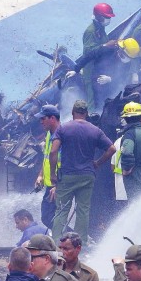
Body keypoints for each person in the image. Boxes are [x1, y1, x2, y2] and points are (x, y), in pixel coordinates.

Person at [50, 100, 115, 245]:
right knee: (83, 210)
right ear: (86, 113)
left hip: (67, 176)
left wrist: (52, 174)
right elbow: (112, 149)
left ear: (73, 113)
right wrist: (97, 163)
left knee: (62, 210)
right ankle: (80, 244)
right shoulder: (95, 130)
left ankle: (56, 243)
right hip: (87, 176)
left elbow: (53, 151)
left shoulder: (63, 128)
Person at [65, 39, 141, 113]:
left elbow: (123, 77)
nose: (126, 59)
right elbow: (89, 56)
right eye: (125, 56)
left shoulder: (127, 63)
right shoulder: (107, 50)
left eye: (129, 58)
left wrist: (110, 79)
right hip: (94, 80)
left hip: (110, 87)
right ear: (120, 50)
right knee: (95, 101)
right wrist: (76, 70)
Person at [79, 2, 116, 112]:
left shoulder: (100, 28)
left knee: (99, 97)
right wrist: (105, 46)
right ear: (99, 17)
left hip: (98, 68)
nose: (109, 19)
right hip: (90, 70)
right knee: (91, 100)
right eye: (107, 17)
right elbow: (88, 52)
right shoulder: (91, 32)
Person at [34, 104, 61, 229]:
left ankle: (75, 238)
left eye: (43, 118)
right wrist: (40, 175)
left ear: (52, 118)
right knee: (49, 217)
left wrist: (58, 185)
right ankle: (70, 237)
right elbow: (46, 158)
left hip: (57, 185)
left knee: (49, 218)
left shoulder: (62, 135)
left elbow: (66, 163)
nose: (41, 122)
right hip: (50, 185)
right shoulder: (50, 135)